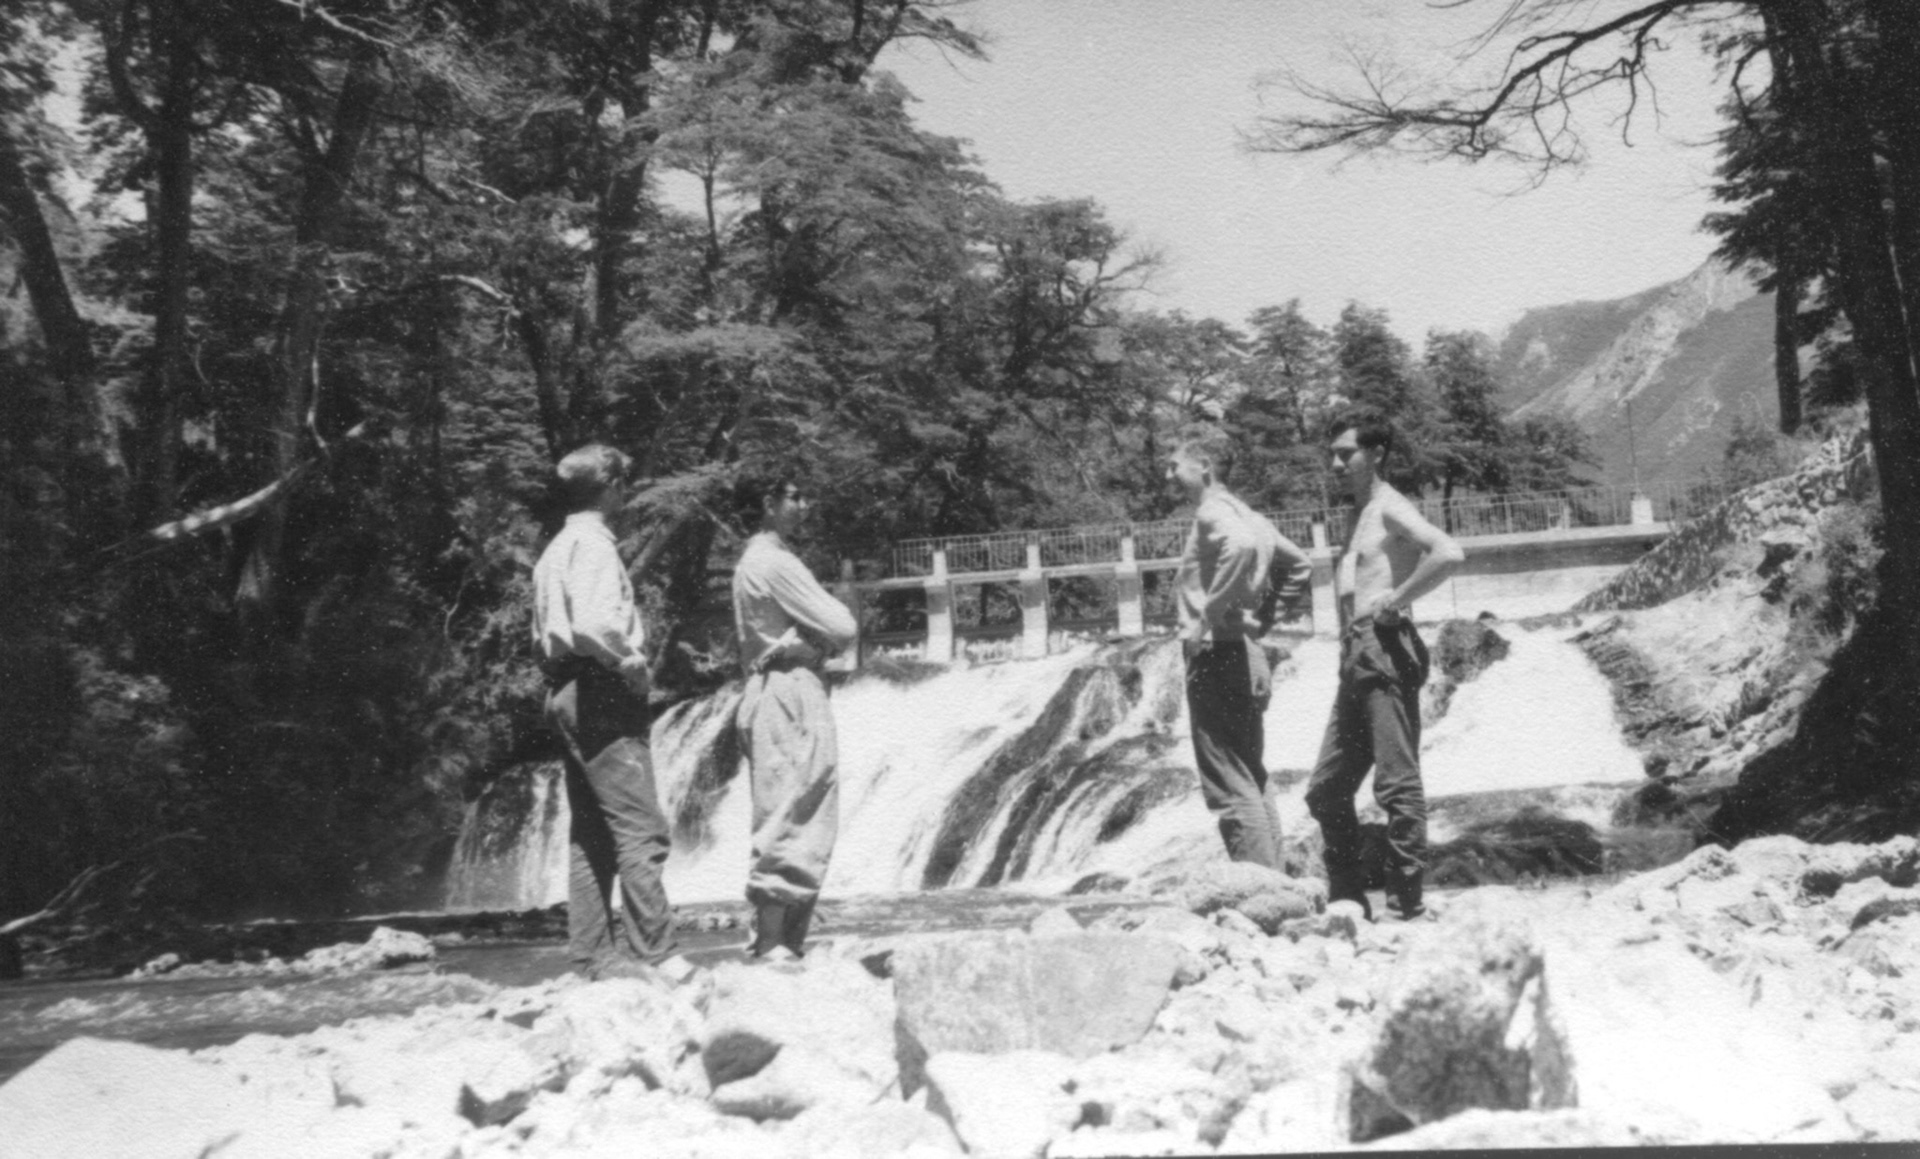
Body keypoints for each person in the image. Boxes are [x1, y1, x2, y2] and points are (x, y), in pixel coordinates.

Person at [1305, 416, 1464, 921]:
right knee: (1327, 790)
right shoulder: (1358, 514)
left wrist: (1397, 600)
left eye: (1345, 453)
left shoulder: (1392, 506)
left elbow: (1448, 552)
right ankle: (1348, 897)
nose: (1335, 463)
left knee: (1396, 783)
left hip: (1383, 646)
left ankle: (1406, 904)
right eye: (1332, 453)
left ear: (1376, 453)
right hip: (1356, 652)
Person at [531, 444, 676, 979]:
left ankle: (591, 958)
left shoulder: (555, 548)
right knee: (642, 829)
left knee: (591, 832)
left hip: (565, 690)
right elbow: (594, 624)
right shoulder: (593, 546)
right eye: (625, 483)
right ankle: (657, 955)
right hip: (601, 691)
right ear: (612, 486)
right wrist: (630, 660)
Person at [1168, 434, 1313, 870]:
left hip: (1216, 650)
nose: (1169, 474)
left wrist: (1207, 615)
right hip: (1246, 650)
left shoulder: (1214, 512)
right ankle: (1276, 882)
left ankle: (1259, 892)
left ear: (1205, 466)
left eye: (1175, 465)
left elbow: (1242, 548)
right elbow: (1301, 563)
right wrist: (1266, 618)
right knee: (1249, 773)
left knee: (1228, 782)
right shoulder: (1250, 514)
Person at [730, 472, 858, 960]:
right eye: (796, 495)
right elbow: (843, 626)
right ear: (768, 503)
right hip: (790, 689)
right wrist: (816, 633)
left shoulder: (751, 561)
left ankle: (780, 942)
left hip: (769, 687)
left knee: (789, 805)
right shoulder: (775, 561)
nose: (806, 504)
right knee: (793, 808)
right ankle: (772, 944)